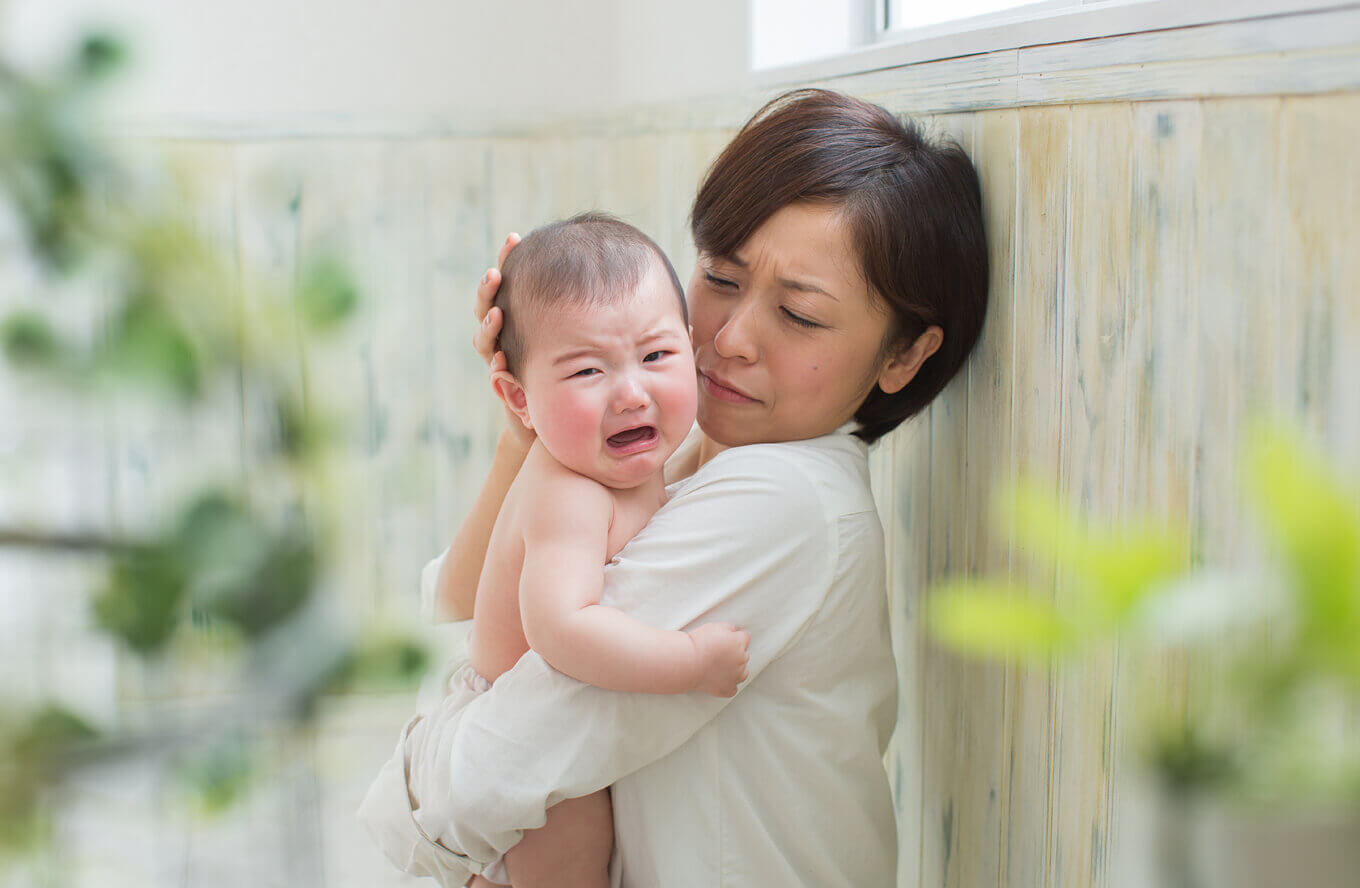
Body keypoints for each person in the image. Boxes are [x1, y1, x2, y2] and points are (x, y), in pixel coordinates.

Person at [361, 87, 989, 888]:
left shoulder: (782, 503)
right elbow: (459, 617)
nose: (729, 339)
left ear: (902, 358)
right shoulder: (681, 459)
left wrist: (433, 731)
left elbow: (478, 777)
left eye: (798, 316)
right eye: (721, 278)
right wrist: (528, 435)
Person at [361, 213, 751, 887]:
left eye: (656, 357)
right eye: (588, 371)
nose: (632, 392)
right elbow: (563, 628)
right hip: (513, 738)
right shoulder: (570, 490)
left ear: (691, 351)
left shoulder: (637, 456)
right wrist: (690, 660)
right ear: (520, 399)